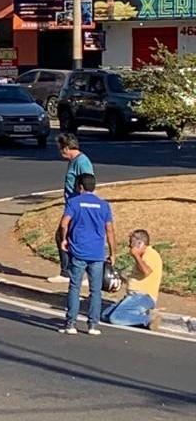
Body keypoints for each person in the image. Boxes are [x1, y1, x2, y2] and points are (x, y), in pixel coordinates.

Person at [58, 173, 116, 336]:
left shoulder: (74, 202)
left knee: (75, 287)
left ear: (80, 187)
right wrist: (113, 253)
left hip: (78, 251)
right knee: (95, 290)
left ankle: (71, 324)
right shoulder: (103, 205)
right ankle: (93, 325)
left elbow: (64, 224)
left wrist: (64, 240)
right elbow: (110, 230)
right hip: (97, 253)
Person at [49, 133, 94, 284]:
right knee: (64, 236)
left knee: (67, 236)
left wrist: (81, 205)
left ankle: (73, 272)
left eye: (61, 149)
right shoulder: (73, 161)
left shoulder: (82, 162)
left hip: (77, 208)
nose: (60, 152)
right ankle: (68, 271)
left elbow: (88, 184)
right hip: (71, 205)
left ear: (67, 148)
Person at [103, 230, 163, 330]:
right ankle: (137, 316)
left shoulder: (151, 254)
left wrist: (136, 255)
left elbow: (146, 271)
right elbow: (137, 277)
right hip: (133, 296)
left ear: (140, 244)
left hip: (143, 296)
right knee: (105, 315)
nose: (129, 247)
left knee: (116, 318)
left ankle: (149, 319)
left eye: (131, 244)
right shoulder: (143, 256)